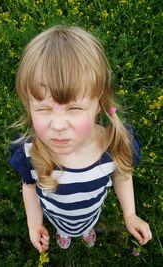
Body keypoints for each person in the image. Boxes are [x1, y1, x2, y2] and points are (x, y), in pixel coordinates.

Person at [9, 25, 152, 252]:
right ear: (28, 106)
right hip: (56, 215)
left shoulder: (113, 147)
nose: (57, 125)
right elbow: (29, 187)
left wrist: (131, 214)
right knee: (63, 227)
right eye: (43, 109)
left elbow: (122, 176)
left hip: (91, 212)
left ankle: (86, 231)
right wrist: (34, 224)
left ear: (100, 103)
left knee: (86, 224)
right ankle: (64, 233)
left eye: (74, 108)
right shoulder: (29, 153)